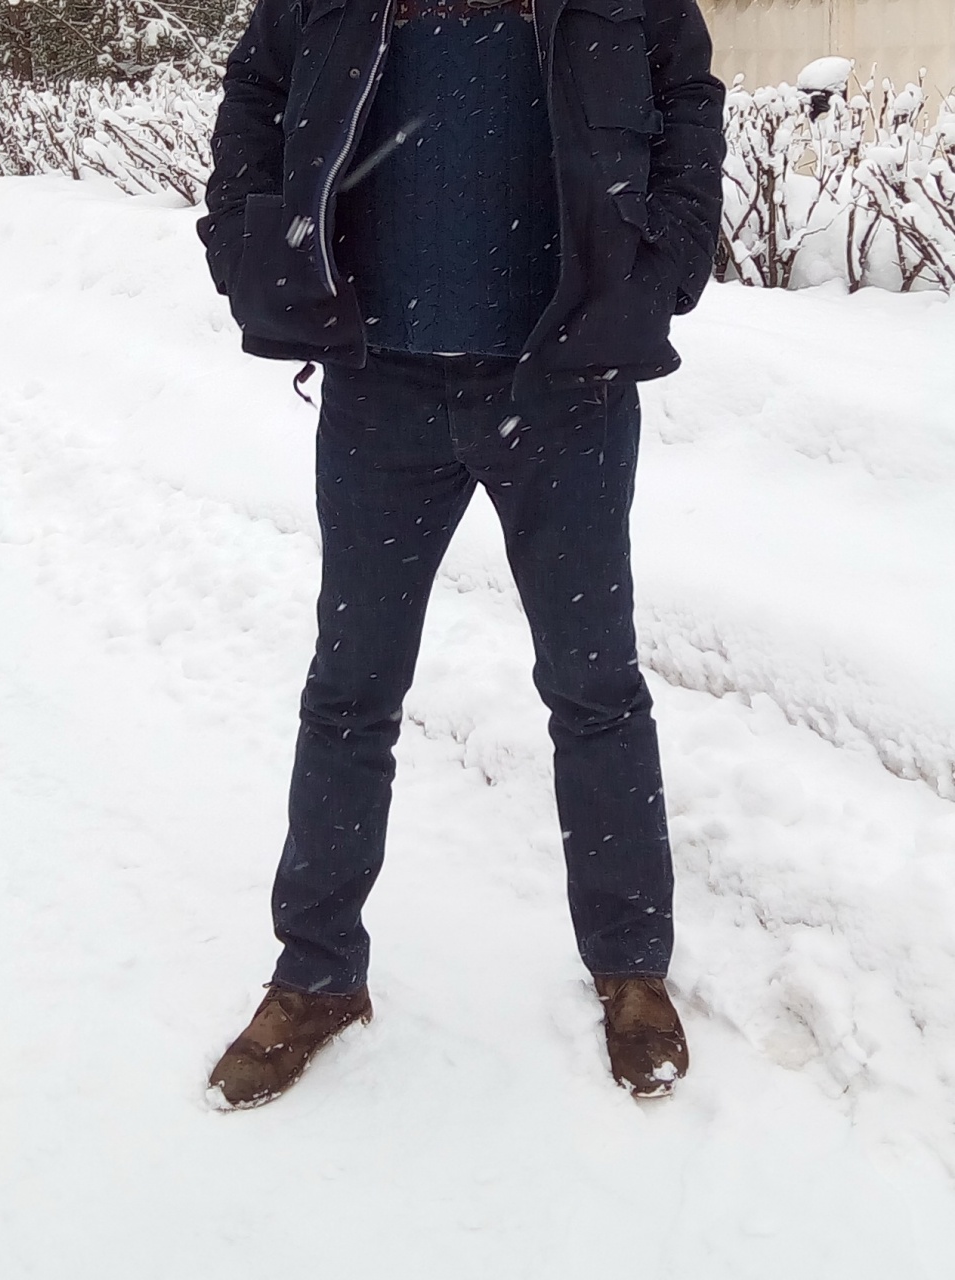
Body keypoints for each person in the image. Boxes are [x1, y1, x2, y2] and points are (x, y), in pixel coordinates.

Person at [198, 0, 725, 1108]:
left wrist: (666, 263)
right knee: (350, 692)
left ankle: (630, 967)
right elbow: (255, 94)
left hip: (565, 385)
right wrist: (246, 241)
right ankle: (317, 973)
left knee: (595, 687)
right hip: (378, 388)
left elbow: (687, 95)